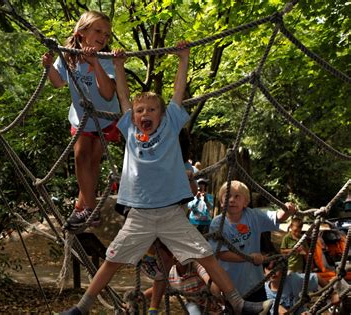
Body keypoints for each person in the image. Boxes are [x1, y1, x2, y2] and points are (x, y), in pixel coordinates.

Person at [60, 42, 273, 315]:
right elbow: (123, 97)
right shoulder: (129, 128)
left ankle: (240, 304)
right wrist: (118, 67)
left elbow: (177, 94)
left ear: (162, 115)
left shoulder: (170, 125)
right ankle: (81, 308)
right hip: (139, 215)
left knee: (206, 256)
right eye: (140, 111)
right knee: (112, 260)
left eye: (151, 110)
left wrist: (183, 59)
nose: (144, 114)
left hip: (172, 213)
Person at [42, 11, 120, 231]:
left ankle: (81, 206)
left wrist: (95, 65)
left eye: (107, 34)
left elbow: (107, 93)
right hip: (82, 118)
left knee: (92, 164)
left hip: (105, 119)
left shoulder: (105, 59)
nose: (103, 37)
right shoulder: (68, 55)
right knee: (80, 157)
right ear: (81, 32)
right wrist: (48, 68)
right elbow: (58, 83)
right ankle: (91, 210)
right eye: (98, 31)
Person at [208, 180, 297, 302]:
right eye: (227, 195)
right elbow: (221, 253)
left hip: (255, 283)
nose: (232, 199)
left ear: (246, 202)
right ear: (221, 201)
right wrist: (249, 257)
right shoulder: (217, 223)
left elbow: (276, 217)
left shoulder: (253, 216)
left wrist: (286, 211)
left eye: (237, 196)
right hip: (231, 285)